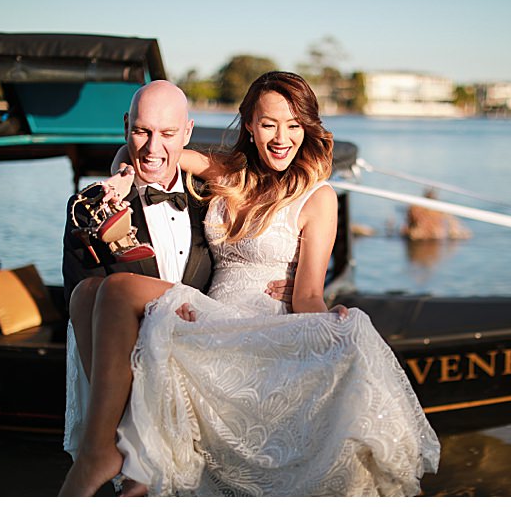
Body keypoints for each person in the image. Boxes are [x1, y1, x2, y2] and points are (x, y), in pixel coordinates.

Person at [59, 72, 440, 497]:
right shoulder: (229, 174)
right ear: (249, 126)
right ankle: (117, 446)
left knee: (116, 290)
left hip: (256, 330)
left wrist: (330, 324)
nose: (282, 137)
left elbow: (308, 294)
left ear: (307, 129)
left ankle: (103, 451)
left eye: (294, 125)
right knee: (85, 294)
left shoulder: (319, 198)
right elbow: (150, 152)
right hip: (209, 317)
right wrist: (121, 177)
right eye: (269, 124)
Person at [61, 80, 293, 489]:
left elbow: (269, 227)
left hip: (199, 362)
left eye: (167, 134)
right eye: (141, 131)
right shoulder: (91, 205)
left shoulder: (210, 196)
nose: (152, 148)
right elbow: (82, 310)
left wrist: (292, 280)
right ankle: (109, 449)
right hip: (124, 379)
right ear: (125, 126)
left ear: (187, 133)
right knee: (90, 294)